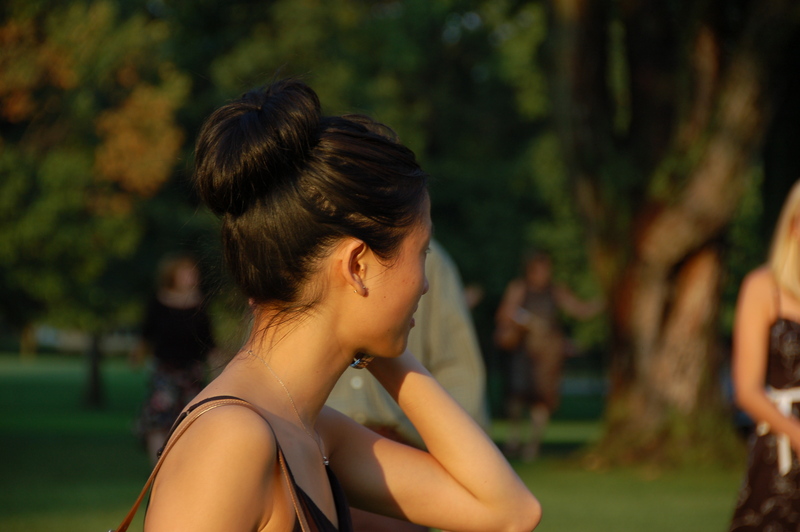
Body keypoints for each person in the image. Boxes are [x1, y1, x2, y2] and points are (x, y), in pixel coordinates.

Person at [143, 79, 541, 532]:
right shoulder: (231, 439)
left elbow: (510, 512)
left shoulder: (312, 431)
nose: (425, 284)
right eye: (421, 252)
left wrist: (373, 340)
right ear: (357, 265)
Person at [326, 238, 489, 532]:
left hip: (400, 458)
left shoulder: (432, 260)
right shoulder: (303, 246)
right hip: (313, 456)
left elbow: (456, 367)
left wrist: (465, 465)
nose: (423, 286)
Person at [729, 180, 800, 530]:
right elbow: (747, 389)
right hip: (781, 444)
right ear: (793, 225)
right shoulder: (763, 288)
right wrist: (796, 433)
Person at [495, 250, 603, 461]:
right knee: (516, 397)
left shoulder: (555, 291)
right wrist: (528, 322)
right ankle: (514, 439)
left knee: (542, 400)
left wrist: (601, 303)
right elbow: (506, 313)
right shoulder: (519, 288)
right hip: (522, 353)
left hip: (547, 356)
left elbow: (578, 309)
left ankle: (532, 446)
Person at [132, 253, 216, 464]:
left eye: (193, 273)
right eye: (186, 272)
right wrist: (138, 354)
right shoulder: (158, 302)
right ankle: (158, 467)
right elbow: (147, 333)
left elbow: (209, 342)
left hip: (191, 374)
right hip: (165, 371)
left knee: (190, 421)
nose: (192, 276)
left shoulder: (200, 304)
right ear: (173, 275)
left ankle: (183, 466)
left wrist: (219, 367)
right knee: (157, 420)